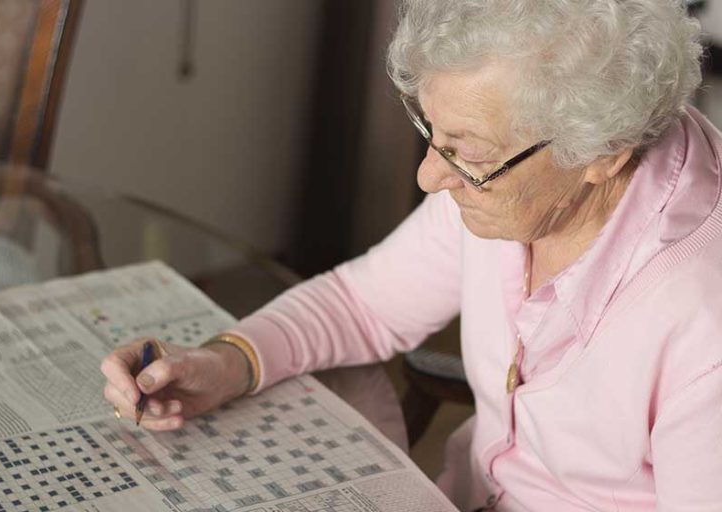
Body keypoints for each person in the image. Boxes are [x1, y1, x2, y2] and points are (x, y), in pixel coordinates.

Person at [100, 1, 722, 510]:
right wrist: (224, 362)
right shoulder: (517, 177)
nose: (430, 177)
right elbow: (362, 304)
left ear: (603, 151)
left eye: (466, 154)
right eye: (432, 135)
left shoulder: (702, 321)